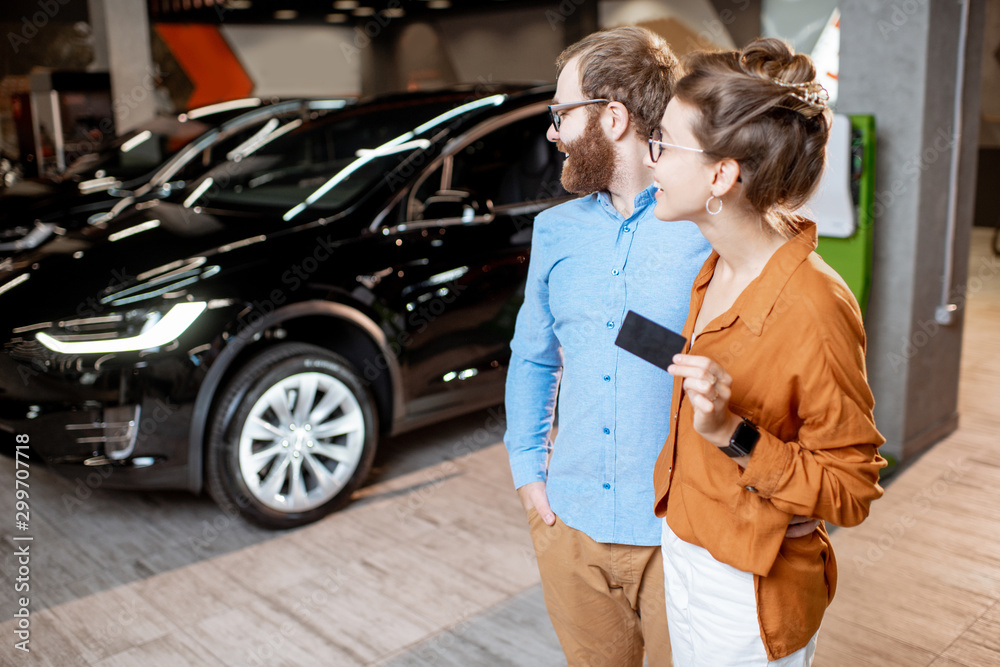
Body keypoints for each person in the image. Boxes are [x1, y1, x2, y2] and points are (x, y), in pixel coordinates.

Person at [646, 37, 887, 665]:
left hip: (748, 586)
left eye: (663, 144)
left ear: (721, 175)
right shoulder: (714, 265)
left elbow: (850, 489)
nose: (651, 162)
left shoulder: (814, 306)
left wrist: (733, 431)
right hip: (687, 545)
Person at [503, 26, 712, 666]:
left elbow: (741, 369)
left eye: (561, 113)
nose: (552, 132)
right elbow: (533, 356)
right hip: (570, 524)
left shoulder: (705, 221)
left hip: (682, 535)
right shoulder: (554, 229)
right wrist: (528, 473)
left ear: (613, 117)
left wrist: (633, 333)